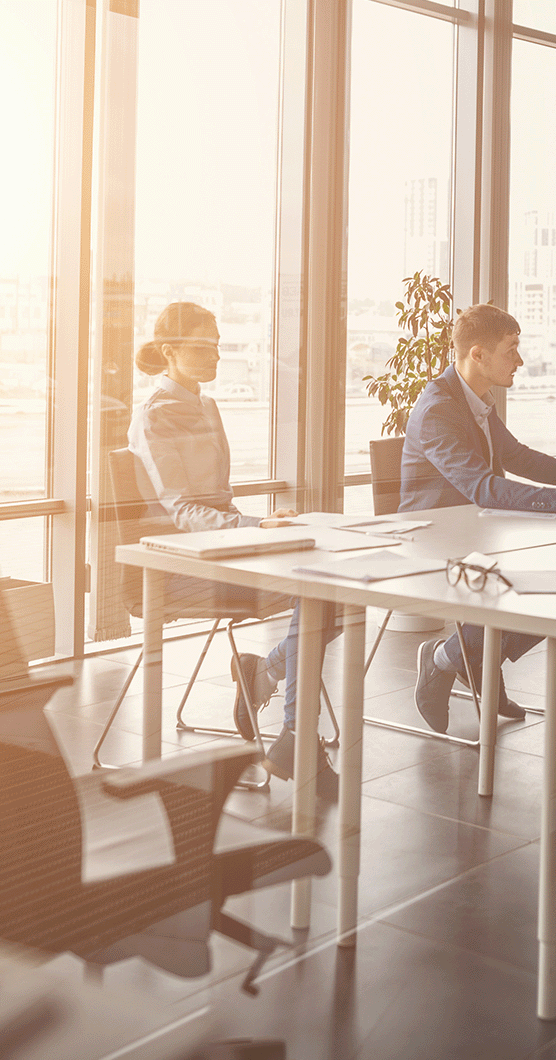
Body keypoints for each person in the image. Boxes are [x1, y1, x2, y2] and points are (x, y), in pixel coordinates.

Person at [400, 303, 556, 733]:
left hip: (476, 534)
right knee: (534, 589)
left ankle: (460, 659)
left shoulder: (474, 400)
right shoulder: (439, 408)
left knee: (552, 587)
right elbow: (483, 487)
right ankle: (452, 661)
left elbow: (516, 457)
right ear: (478, 354)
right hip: (435, 542)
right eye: (511, 349)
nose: (520, 360)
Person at [128, 301, 339, 797]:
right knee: (318, 594)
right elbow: (180, 509)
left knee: (335, 589)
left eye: (217, 347)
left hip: (224, 545)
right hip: (180, 561)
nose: (215, 357)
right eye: (202, 347)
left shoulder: (206, 405)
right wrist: (252, 523)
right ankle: (295, 738)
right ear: (168, 351)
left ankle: (265, 677)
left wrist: (259, 522)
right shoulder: (154, 416)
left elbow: (215, 499)